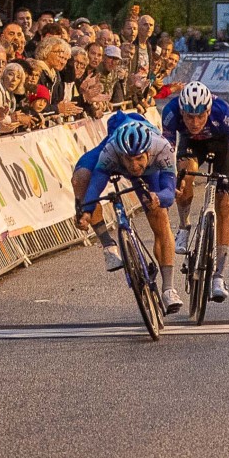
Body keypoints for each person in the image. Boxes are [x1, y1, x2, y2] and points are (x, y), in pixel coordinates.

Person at [163, 82, 229, 302]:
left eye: (199, 117)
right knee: (186, 175)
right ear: (181, 112)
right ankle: (184, 226)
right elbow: (166, 155)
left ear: (208, 110)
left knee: (225, 205)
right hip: (191, 146)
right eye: (188, 117)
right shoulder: (170, 113)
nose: (194, 123)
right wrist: (171, 183)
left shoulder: (224, 114)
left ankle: (219, 275)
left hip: (221, 145)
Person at [76, 119, 183, 315]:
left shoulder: (162, 148)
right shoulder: (112, 150)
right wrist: (86, 212)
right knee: (82, 179)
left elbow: (169, 191)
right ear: (121, 155)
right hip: (113, 158)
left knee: (159, 215)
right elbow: (96, 186)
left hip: (151, 171)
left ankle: (168, 289)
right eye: (129, 160)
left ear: (148, 153)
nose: (134, 165)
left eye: (138, 159)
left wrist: (157, 197)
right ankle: (108, 246)